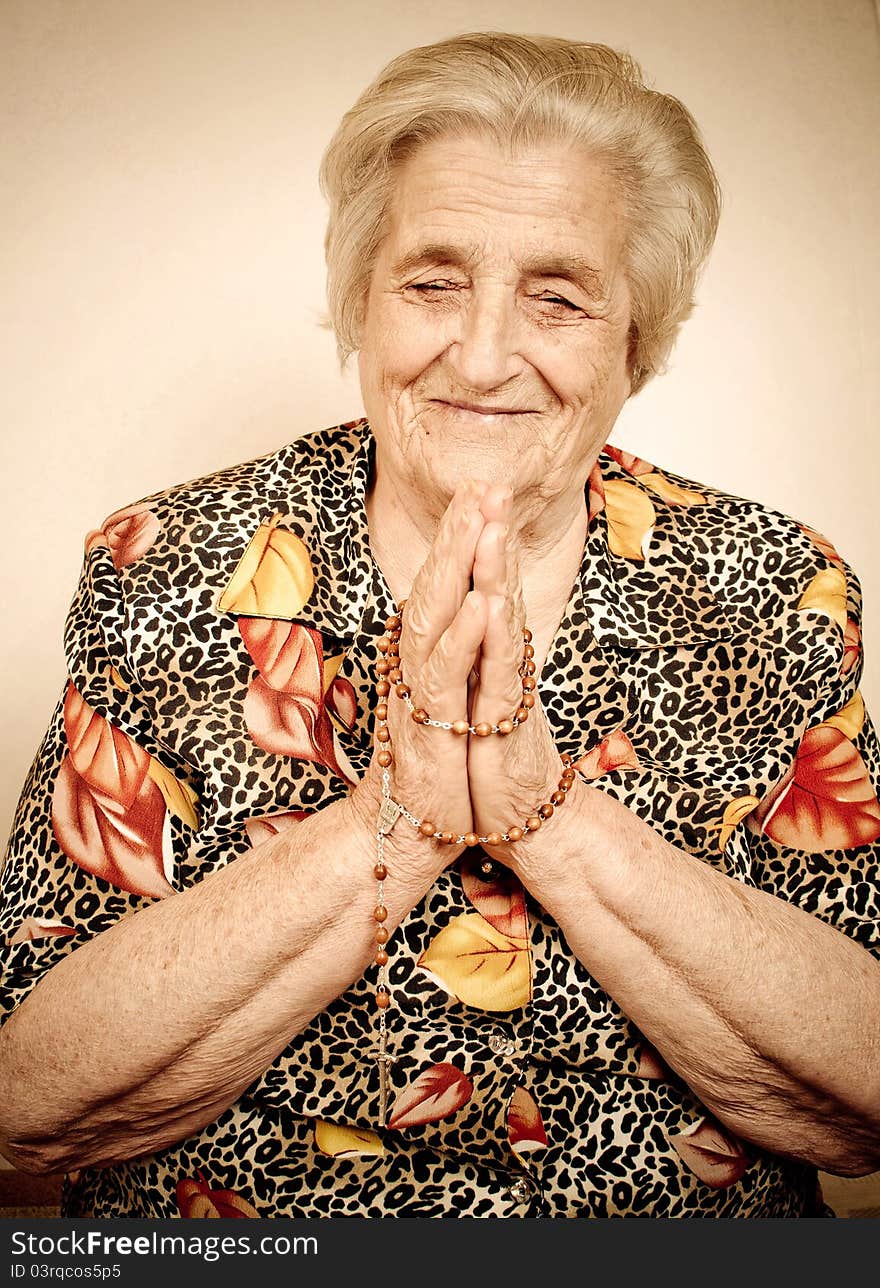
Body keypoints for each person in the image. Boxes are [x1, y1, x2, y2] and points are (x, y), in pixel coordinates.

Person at [1, 30, 878, 1221]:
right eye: (431, 281)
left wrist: (543, 815)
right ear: (360, 299)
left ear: (638, 341)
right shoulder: (166, 569)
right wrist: (397, 816)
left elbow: (860, 1109)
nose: (479, 354)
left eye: (557, 296)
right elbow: (29, 1101)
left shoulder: (775, 589)